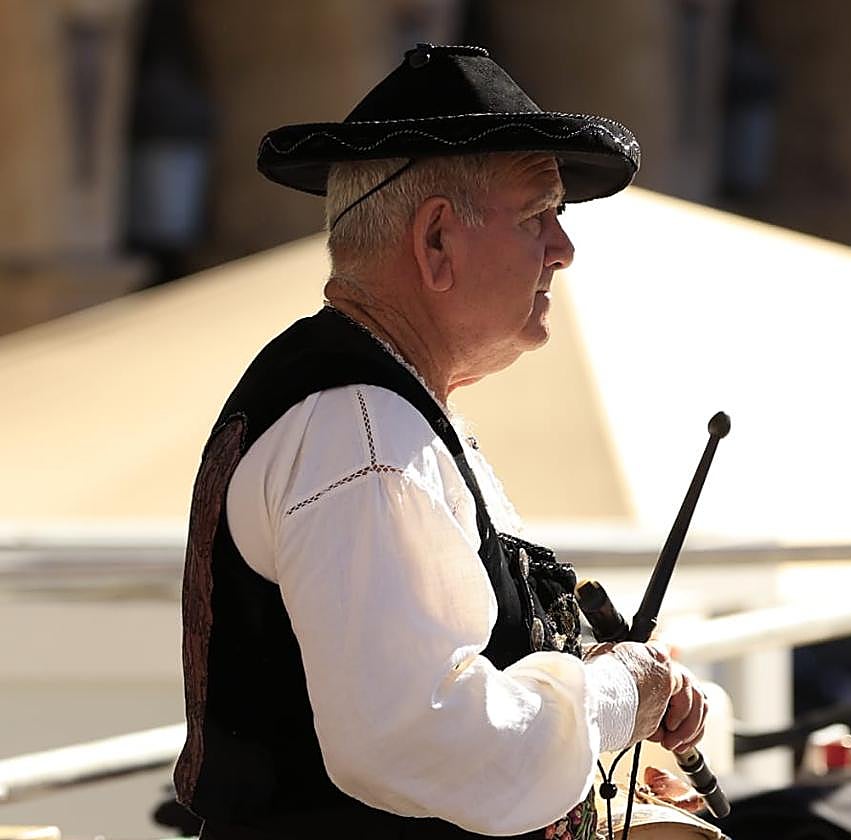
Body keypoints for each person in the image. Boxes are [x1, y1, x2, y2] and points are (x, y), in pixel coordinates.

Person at [175, 44, 708, 840]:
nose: (563, 249)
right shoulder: (359, 429)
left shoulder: (382, 410)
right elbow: (421, 735)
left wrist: (606, 677)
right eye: (537, 216)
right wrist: (618, 695)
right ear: (434, 243)